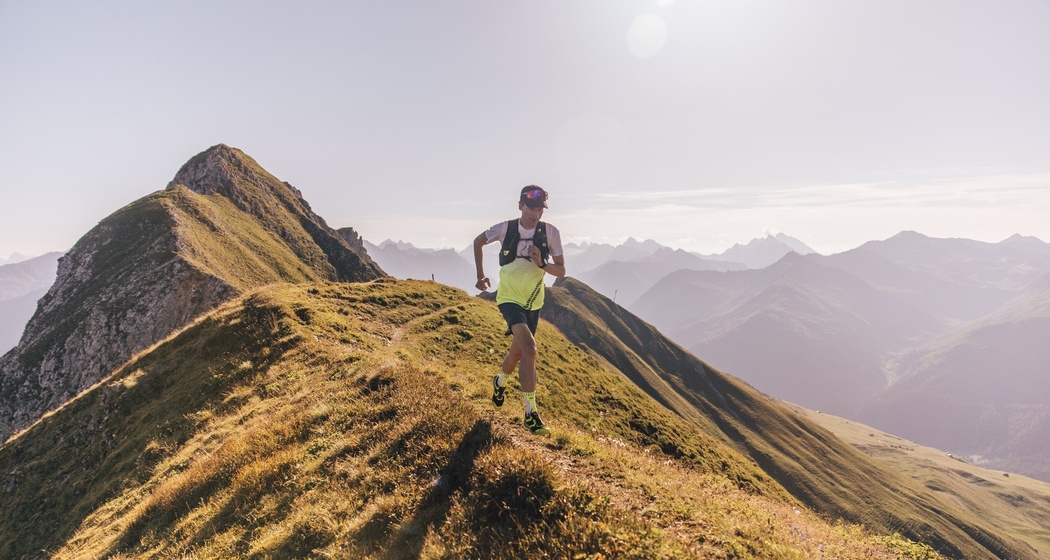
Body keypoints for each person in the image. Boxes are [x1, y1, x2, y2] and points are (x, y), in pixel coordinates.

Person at [473, 185, 566, 435]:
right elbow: (478, 242)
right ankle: (530, 414)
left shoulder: (550, 232)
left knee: (516, 354)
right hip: (509, 298)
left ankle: (500, 381)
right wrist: (480, 275)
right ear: (520, 206)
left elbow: (561, 271)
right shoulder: (505, 229)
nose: (536, 214)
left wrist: (542, 263)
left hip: (534, 302)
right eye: (531, 208)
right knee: (529, 349)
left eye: (540, 209)